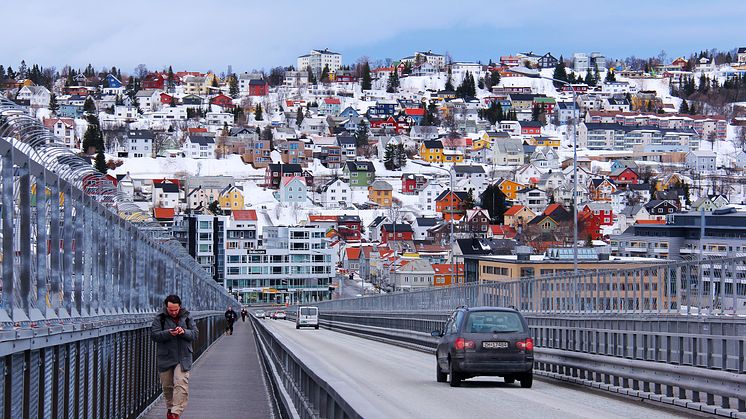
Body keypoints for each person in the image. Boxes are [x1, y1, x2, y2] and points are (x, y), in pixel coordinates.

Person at [151, 294, 198, 419]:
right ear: (166, 307)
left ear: (180, 307)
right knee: (167, 387)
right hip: (166, 357)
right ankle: (171, 409)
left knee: (181, 382)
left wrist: (184, 332)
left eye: (176, 310)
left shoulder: (187, 317)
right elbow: (154, 335)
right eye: (170, 310)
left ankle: (175, 413)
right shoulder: (159, 318)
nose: (173, 312)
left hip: (183, 357)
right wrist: (168, 333)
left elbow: (195, 334)